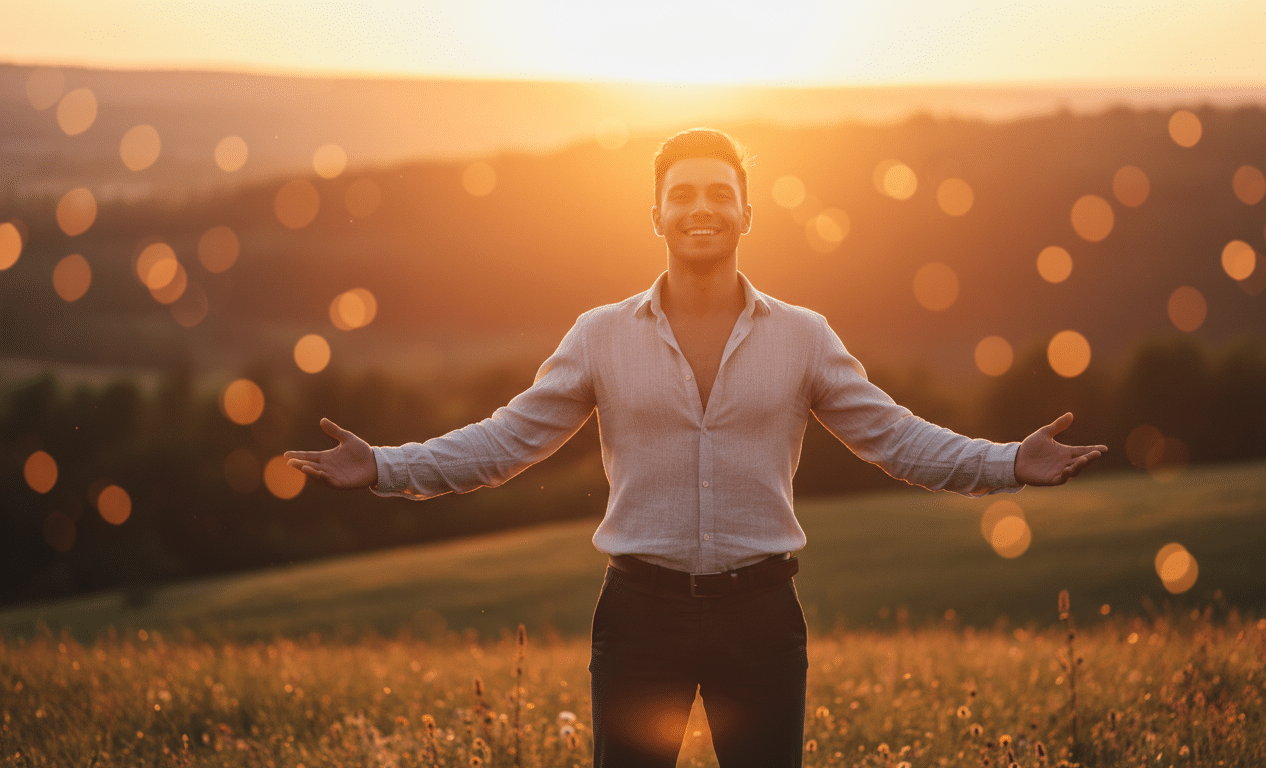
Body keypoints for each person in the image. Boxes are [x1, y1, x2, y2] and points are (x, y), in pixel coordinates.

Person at [285, 128, 1107, 767]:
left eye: (721, 193)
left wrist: (1006, 462)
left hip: (761, 615)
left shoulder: (805, 338)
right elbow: (508, 440)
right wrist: (387, 466)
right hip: (639, 618)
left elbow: (893, 438)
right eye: (683, 195)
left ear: (748, 213)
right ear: (656, 215)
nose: (702, 208)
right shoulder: (600, 336)